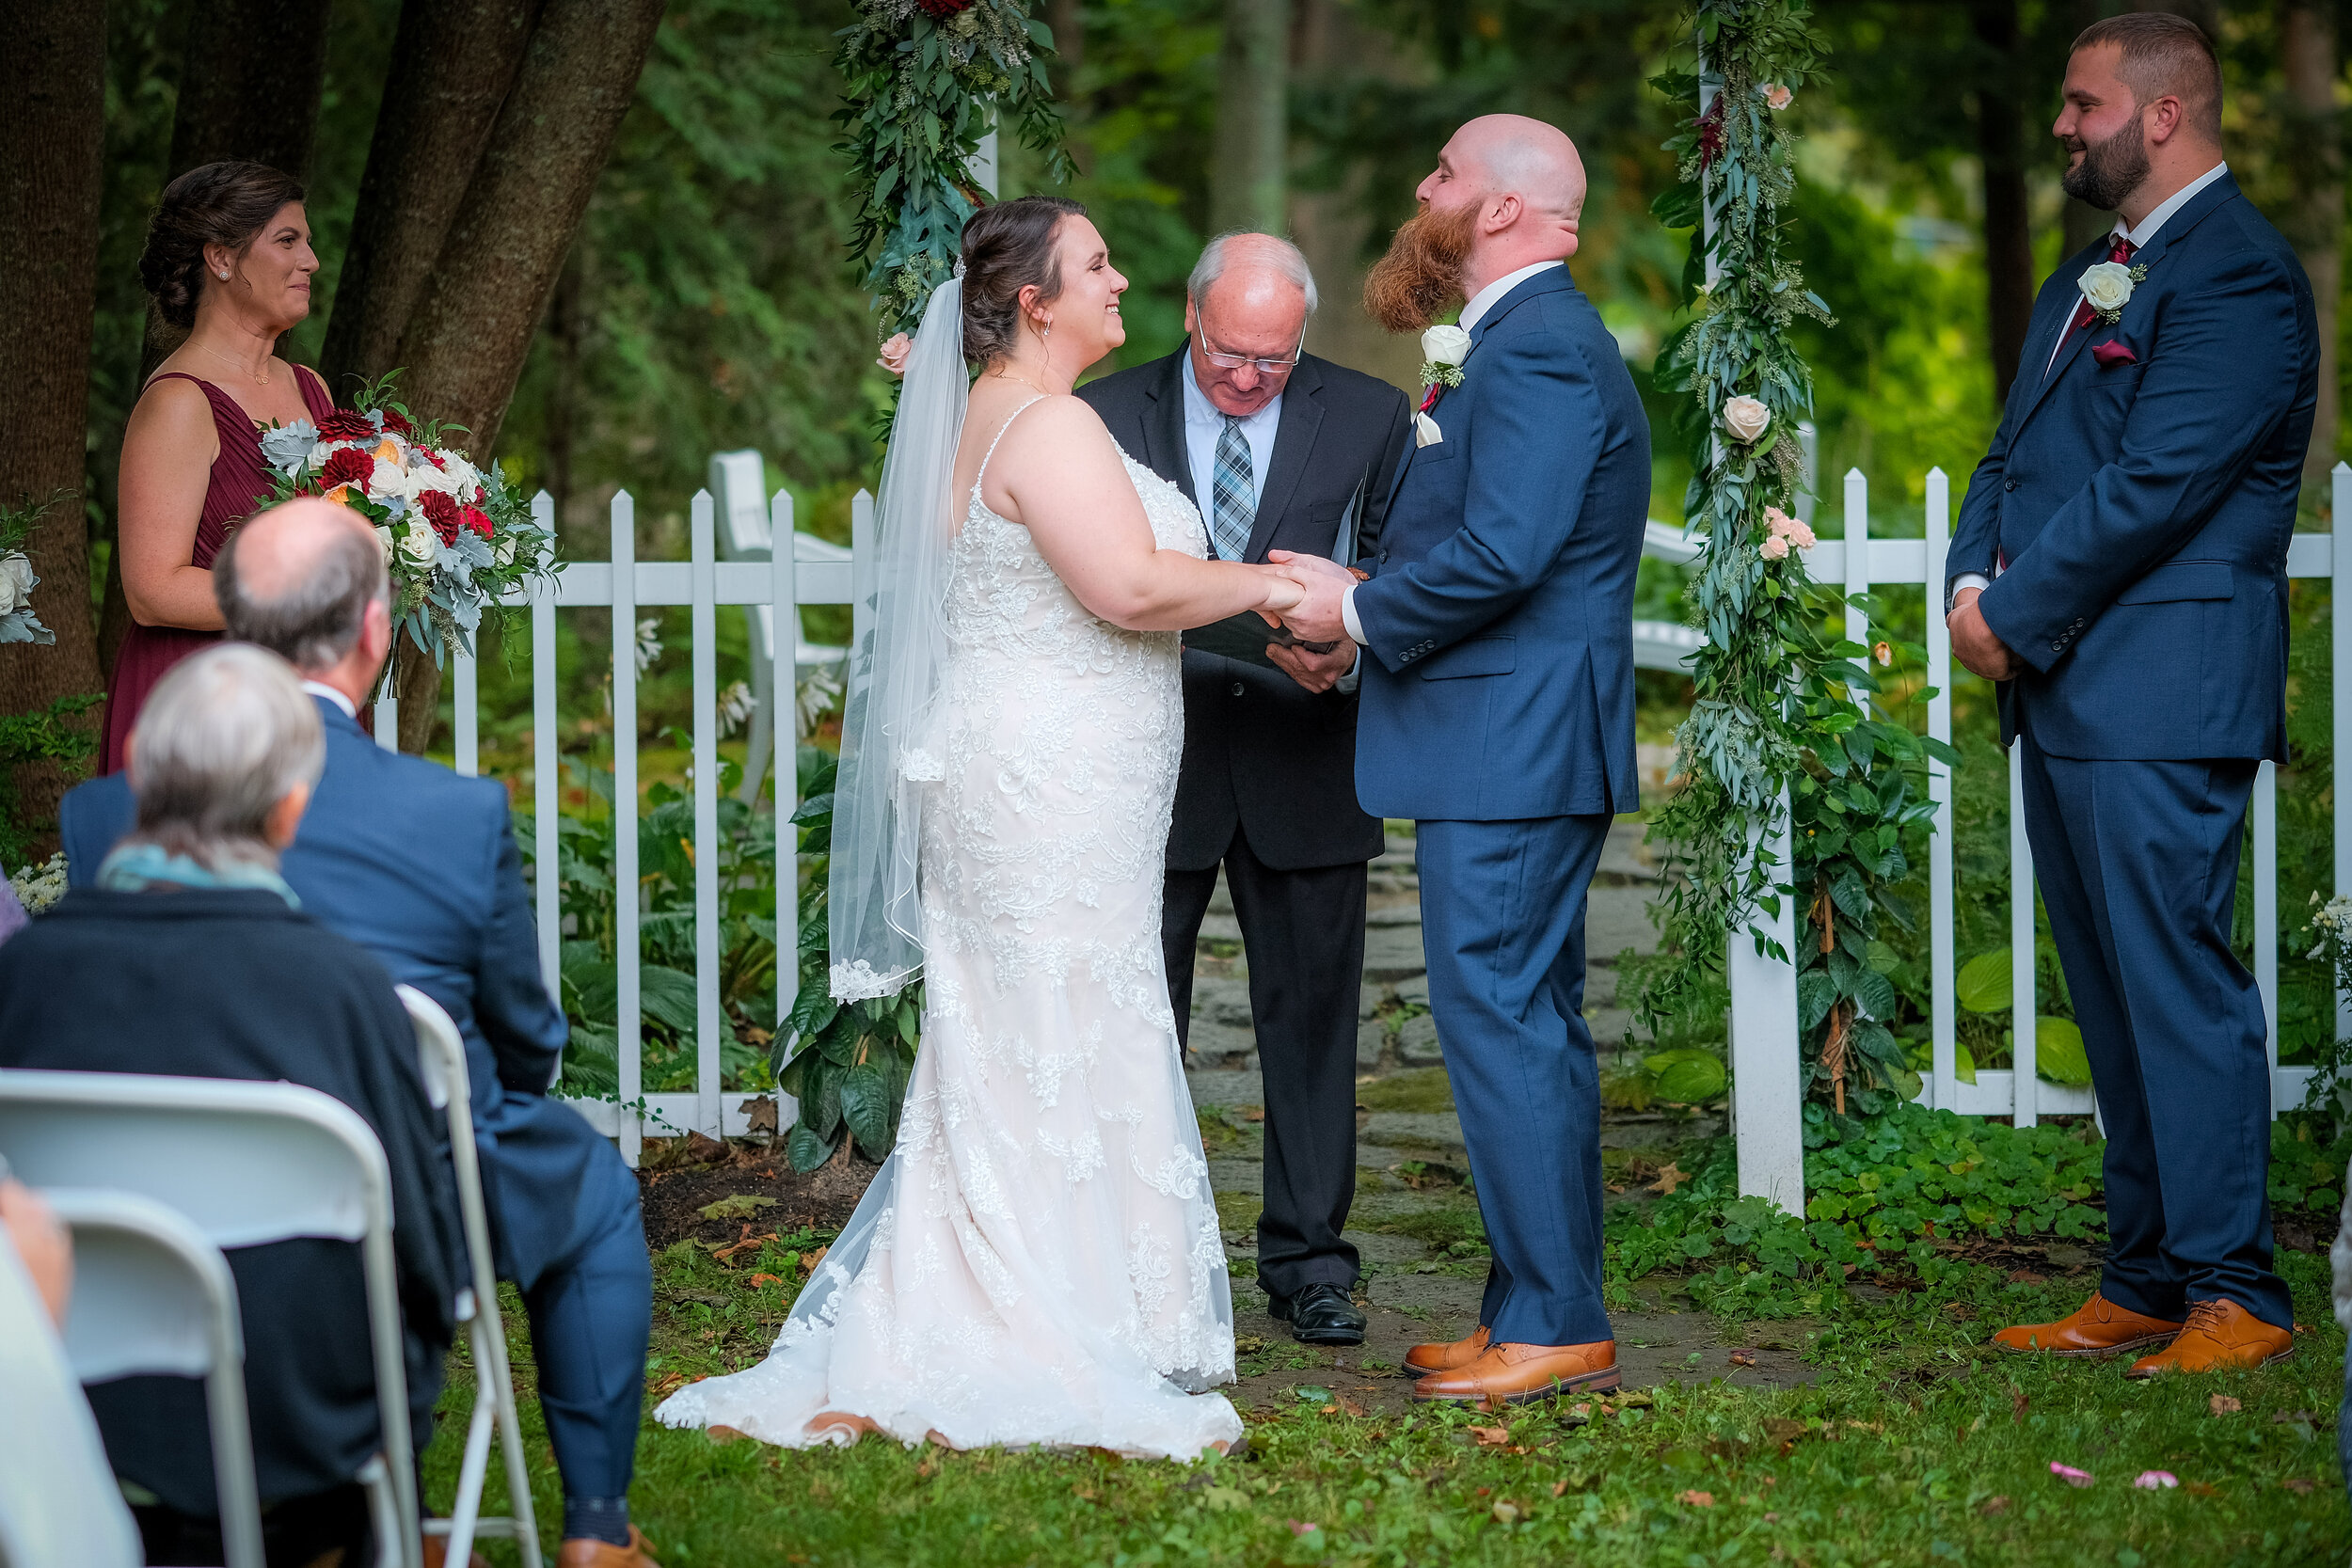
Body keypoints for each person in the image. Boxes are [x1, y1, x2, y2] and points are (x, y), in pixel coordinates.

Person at [656, 196, 1305, 1459]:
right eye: (1098, 263)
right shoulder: (1049, 422)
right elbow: (1124, 586)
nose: (1124, 279)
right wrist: (1280, 584)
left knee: (1036, 1026)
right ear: (1035, 301)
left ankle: (1063, 1290)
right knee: (1052, 1020)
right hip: (1044, 779)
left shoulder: (991, 415)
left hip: (1048, 771)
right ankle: (1041, 1306)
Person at [61, 499, 661, 1568]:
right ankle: (593, 1530)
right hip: (405, 1184)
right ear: (377, 629)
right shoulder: (452, 811)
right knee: (597, 1193)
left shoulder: (106, 811)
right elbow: (526, 1042)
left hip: (137, 1199)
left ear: (236, 627)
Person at [1945, 14, 2312, 1377]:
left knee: (2177, 988)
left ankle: (2239, 1288)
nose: (2061, 125)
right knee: (2108, 995)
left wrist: (2017, 613)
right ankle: (2146, 1275)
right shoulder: (2087, 273)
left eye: (2082, 102)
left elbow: (2162, 484)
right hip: (2070, 689)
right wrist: (1965, 589)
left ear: (2162, 116)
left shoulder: (2241, 278)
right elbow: (2010, 452)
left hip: (2163, 685)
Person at [1279, 115, 1650, 1406]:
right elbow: (1496, 545)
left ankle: (1555, 1315)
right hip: (1511, 736)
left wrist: (1357, 612)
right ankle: (1533, 1303)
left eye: (1440, 171)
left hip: (1515, 743)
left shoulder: (1542, 348)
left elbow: (1509, 553)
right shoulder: (1518, 342)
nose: (1422, 188)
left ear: (1497, 207)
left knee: (1502, 1019)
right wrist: (1365, 598)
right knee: (1521, 1021)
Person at [0, 643, 458, 1568]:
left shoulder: (21, 977)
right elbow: (423, 1254)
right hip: (299, 1421)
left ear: (138, 780)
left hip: (59, 1389)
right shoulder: (343, 990)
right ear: (291, 808)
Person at [1077, 231, 1411, 1347]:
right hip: (1146, 756)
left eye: (1273, 359)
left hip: (1305, 754)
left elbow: (1407, 568)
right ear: (1189, 314)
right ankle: (1131, 1261)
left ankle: (1311, 1261)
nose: (1247, 376)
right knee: (1135, 1020)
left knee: (1313, 1026)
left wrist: (1354, 647)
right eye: (1229, 351)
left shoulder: (1369, 413)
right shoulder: (1100, 410)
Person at [103, 161, 339, 775]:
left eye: (306, 241)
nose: (310, 260)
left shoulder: (312, 388)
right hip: (203, 709)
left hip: (301, 694)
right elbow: (152, 591)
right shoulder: (180, 402)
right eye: (288, 240)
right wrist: (304, 599)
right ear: (222, 258)